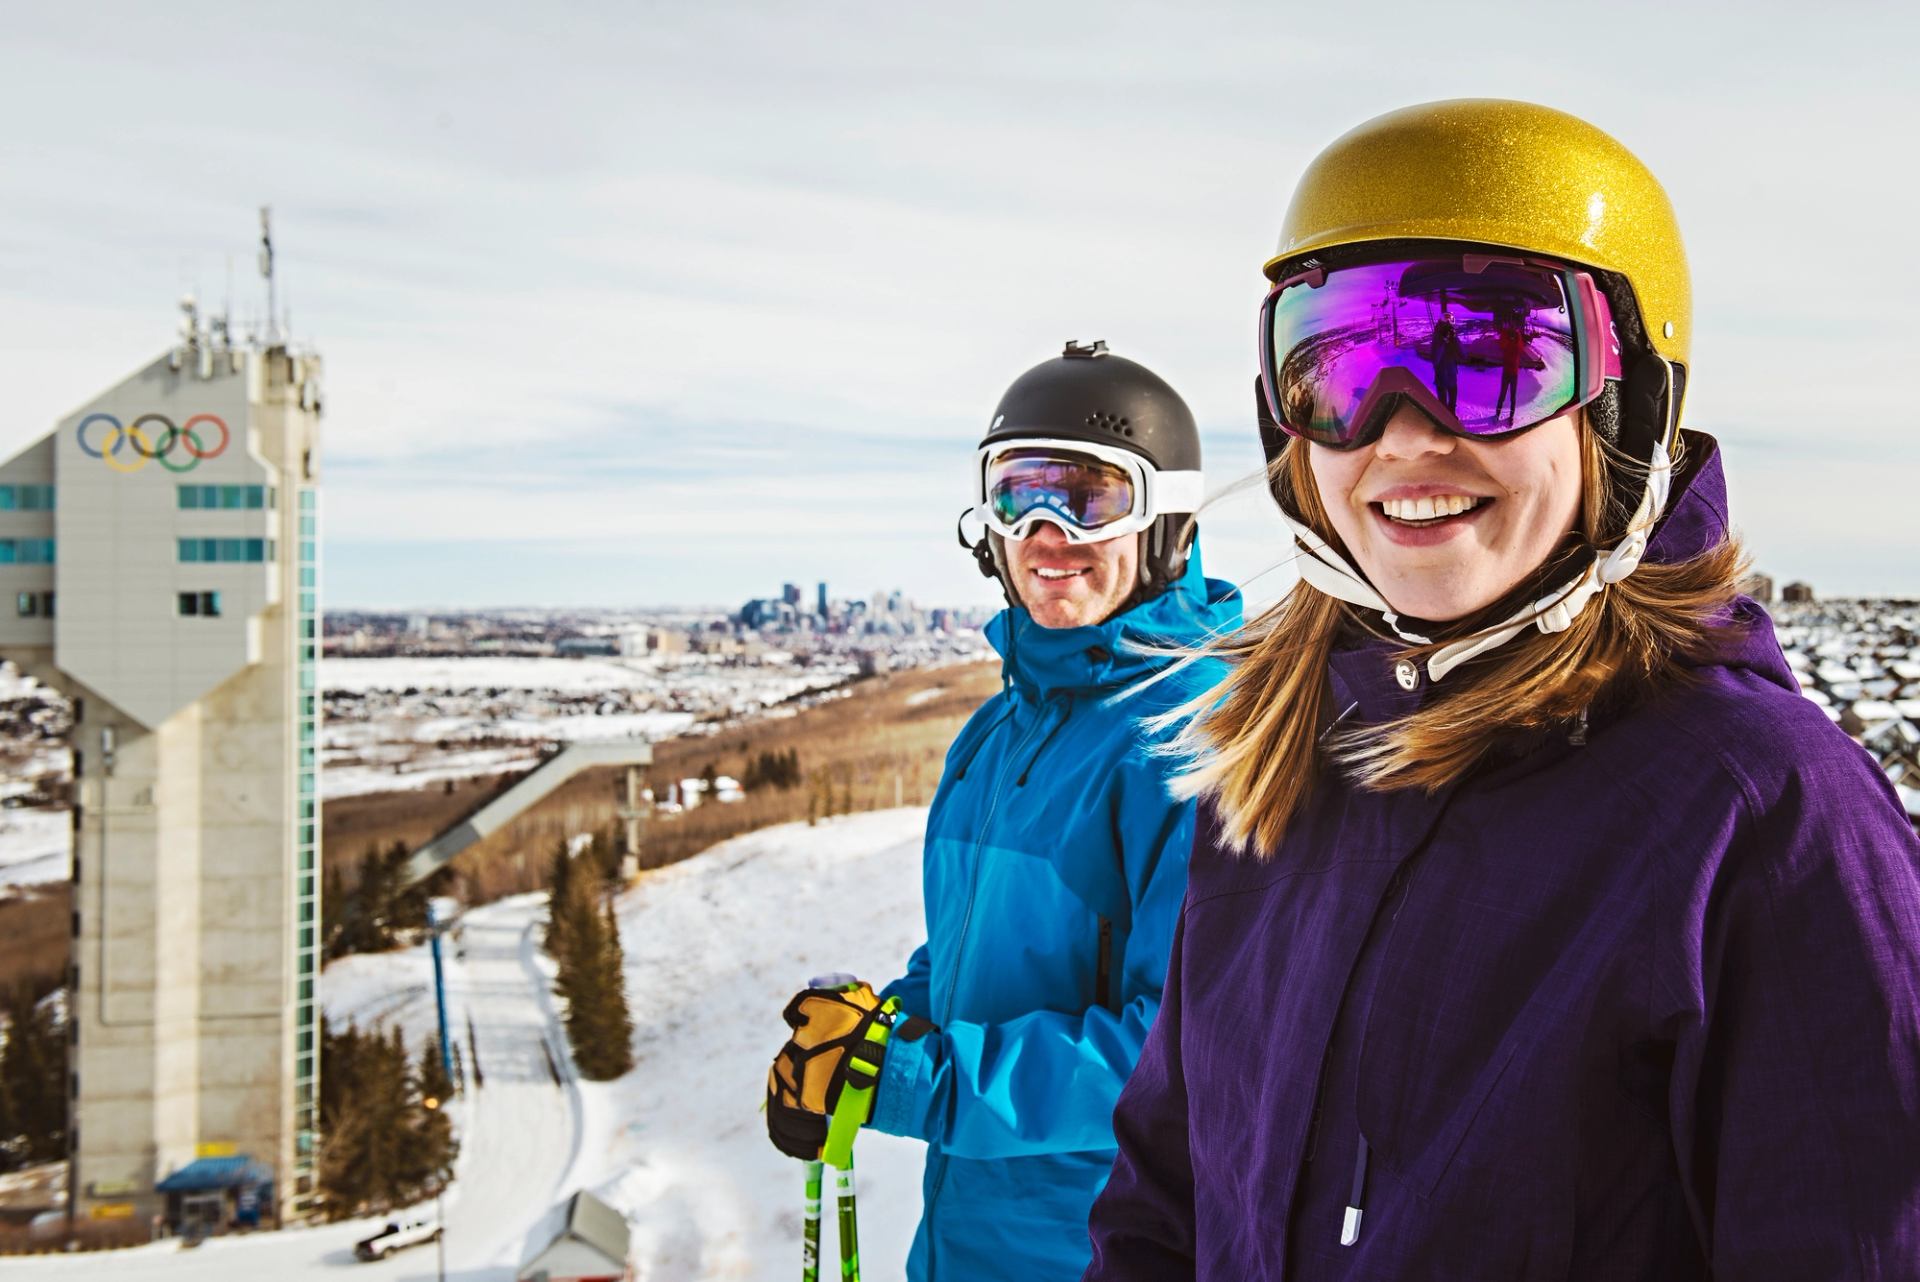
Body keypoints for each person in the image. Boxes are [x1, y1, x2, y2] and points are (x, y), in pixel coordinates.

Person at [1085, 99, 1920, 1280]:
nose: (1402, 434)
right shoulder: (1281, 771)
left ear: (1627, 400)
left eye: (1486, 359)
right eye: (1338, 368)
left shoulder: (1765, 818)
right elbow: (1163, 1205)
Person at [765, 340, 1241, 1280]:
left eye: (1091, 497)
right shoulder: (996, 732)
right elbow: (969, 960)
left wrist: (917, 1083)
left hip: (1101, 1247)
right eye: (1019, 493)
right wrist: (876, 1035)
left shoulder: (1196, 740)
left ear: (1169, 525)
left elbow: (1177, 1048)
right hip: (967, 1239)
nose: (1046, 530)